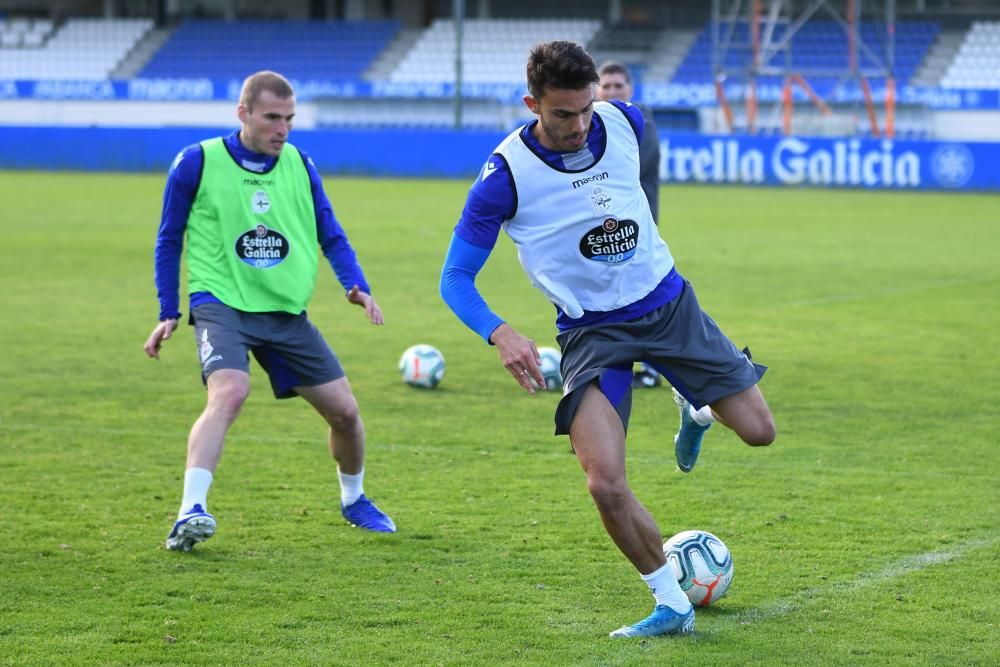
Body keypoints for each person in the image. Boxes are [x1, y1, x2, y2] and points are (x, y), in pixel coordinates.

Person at [439, 41, 775, 638]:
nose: (579, 124)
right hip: (592, 332)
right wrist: (500, 332)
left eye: (587, 109)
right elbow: (454, 278)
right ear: (532, 103)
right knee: (603, 481)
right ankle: (670, 601)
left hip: (669, 305)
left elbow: (631, 185)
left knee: (759, 432)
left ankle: (693, 408)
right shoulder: (503, 177)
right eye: (564, 113)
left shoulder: (625, 120)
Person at [144, 70, 396, 552]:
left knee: (345, 414)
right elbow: (168, 238)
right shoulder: (197, 162)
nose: (283, 128)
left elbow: (331, 233)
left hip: (284, 313)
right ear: (244, 114)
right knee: (230, 392)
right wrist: (168, 309)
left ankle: (354, 499)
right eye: (272, 118)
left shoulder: (301, 164)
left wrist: (356, 286)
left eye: (290, 118)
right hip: (222, 305)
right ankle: (190, 509)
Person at [596, 60, 663, 389]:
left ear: (630, 90)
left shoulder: (642, 123)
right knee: (618, 297)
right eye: (605, 86)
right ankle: (614, 361)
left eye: (617, 86)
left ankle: (651, 368)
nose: (610, 92)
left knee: (644, 297)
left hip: (638, 227)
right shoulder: (595, 124)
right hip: (608, 230)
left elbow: (629, 169)